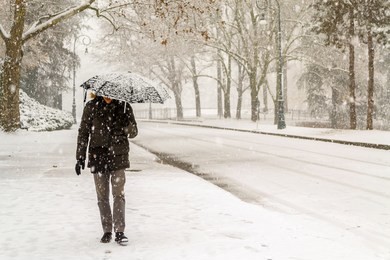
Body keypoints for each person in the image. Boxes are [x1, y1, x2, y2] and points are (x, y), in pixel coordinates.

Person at [75, 93, 137, 245]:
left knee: (118, 195)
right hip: (98, 157)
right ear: (99, 92)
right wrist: (80, 156)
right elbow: (84, 132)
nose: (108, 97)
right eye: (104, 94)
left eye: (111, 94)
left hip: (118, 157)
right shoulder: (91, 107)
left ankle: (120, 231)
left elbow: (133, 132)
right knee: (102, 197)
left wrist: (126, 123)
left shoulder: (124, 107)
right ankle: (107, 230)